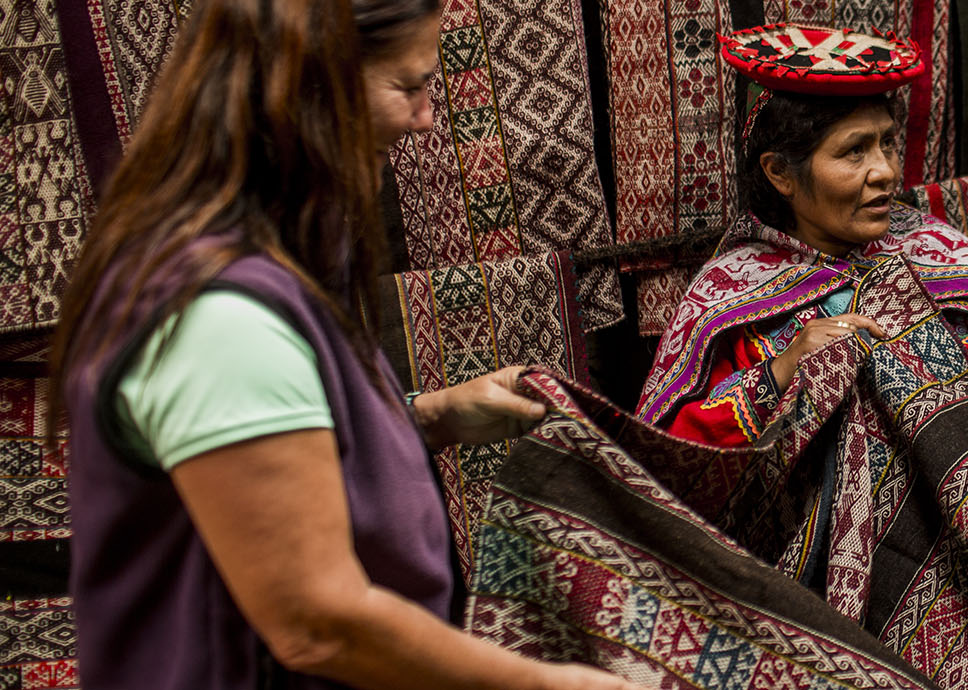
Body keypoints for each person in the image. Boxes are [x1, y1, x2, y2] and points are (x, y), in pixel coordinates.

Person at [51, 1, 637, 687]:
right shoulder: (219, 318)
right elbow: (316, 624)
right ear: (308, 83)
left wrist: (429, 417)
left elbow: (275, 449)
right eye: (408, 85)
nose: (425, 117)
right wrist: (549, 684)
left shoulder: (267, 266)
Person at [641, 23, 968, 613]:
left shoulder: (935, 253)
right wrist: (783, 373)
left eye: (887, 143)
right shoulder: (729, 302)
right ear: (780, 173)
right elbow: (670, 475)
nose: (886, 172)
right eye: (853, 152)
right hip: (835, 612)